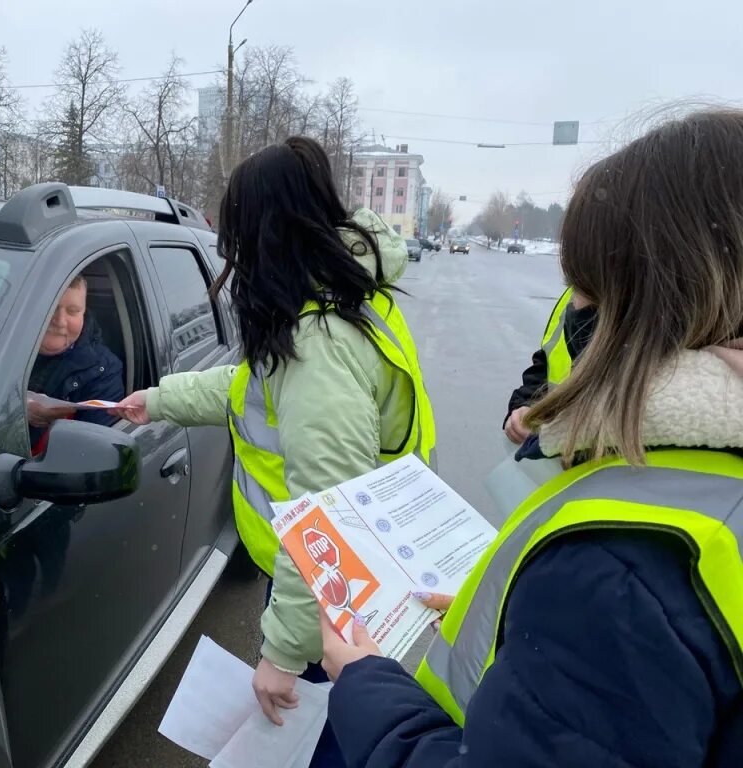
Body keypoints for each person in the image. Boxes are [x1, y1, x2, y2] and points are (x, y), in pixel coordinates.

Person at [319, 108, 743, 768]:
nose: (573, 309)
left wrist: (366, 686)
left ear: (646, 302)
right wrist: (533, 636)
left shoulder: (623, 567)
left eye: (588, 287)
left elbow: (631, 637)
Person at [113, 136, 435, 767]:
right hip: (347, 580)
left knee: (315, 747)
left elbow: (325, 518)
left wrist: (283, 656)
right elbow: (251, 390)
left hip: (338, 597)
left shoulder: (318, 346)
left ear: (268, 235)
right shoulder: (332, 307)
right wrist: (156, 399)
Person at [27, 275, 124, 453]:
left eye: (72, 311)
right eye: (51, 308)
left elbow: (88, 453)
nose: (60, 321)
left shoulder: (103, 370)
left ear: (84, 313)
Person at [503, 287, 598, 445]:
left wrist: (559, 437)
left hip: (603, 462)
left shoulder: (645, 302)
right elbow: (548, 361)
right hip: (556, 453)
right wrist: (527, 406)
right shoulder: (576, 288)